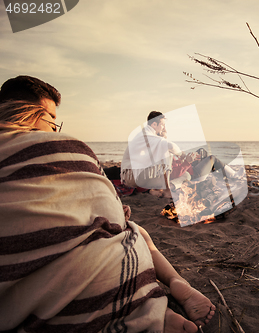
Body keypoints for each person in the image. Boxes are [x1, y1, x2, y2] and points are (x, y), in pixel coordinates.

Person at [0, 81, 215, 332]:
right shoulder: (61, 147)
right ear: (30, 113)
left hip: (17, 303)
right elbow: (116, 216)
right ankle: (170, 287)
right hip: (101, 275)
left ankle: (149, 306)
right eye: (52, 121)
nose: (55, 131)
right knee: (134, 230)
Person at [121, 111, 243, 192]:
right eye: (162, 126)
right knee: (212, 158)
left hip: (187, 169)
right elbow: (176, 172)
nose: (163, 128)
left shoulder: (156, 149)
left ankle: (223, 173)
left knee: (201, 152)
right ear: (154, 124)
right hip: (193, 174)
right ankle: (233, 175)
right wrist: (186, 160)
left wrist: (186, 159)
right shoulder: (158, 145)